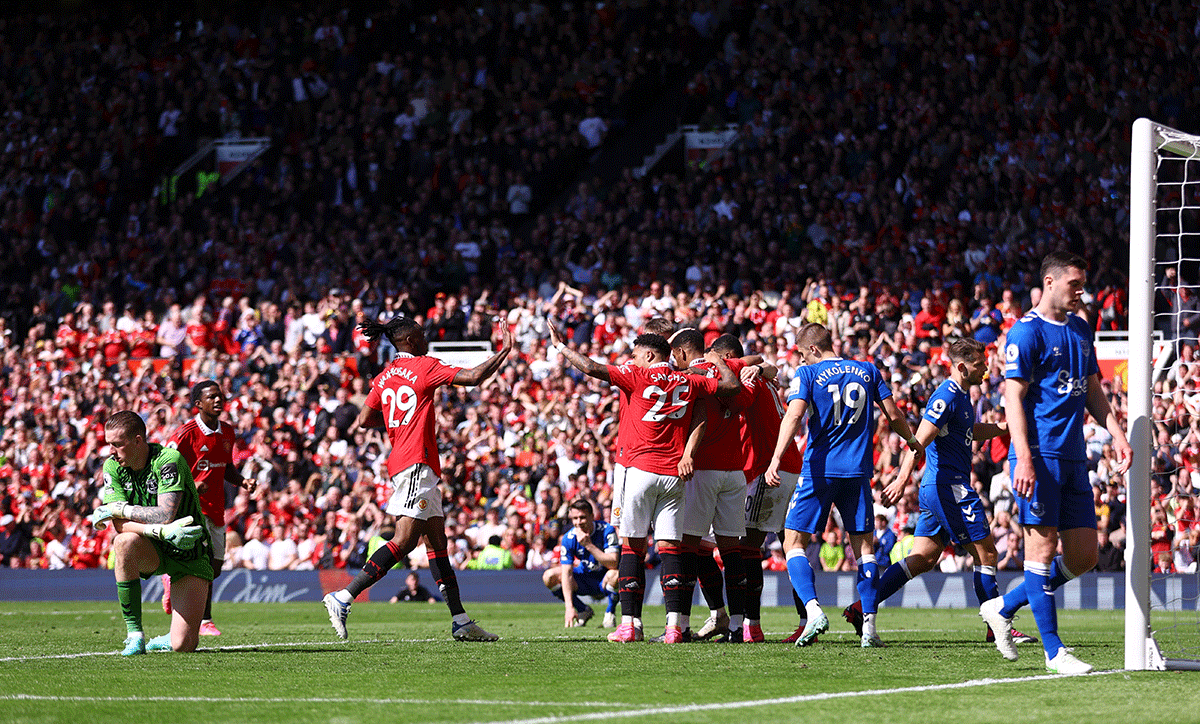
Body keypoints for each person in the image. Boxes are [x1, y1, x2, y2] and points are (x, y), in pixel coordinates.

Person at [979, 251, 1132, 674]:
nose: (1081, 291)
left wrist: (1117, 435)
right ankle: (1054, 652)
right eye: (1075, 283)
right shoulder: (1025, 333)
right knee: (1041, 550)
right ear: (1050, 282)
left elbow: (1093, 391)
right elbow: (1012, 397)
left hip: (1073, 457)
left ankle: (1003, 606)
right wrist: (1023, 457)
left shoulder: (1082, 329)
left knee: (1084, 556)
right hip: (1038, 457)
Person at [322, 315, 512, 642]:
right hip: (416, 464)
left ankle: (461, 621)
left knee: (438, 543)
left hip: (404, 462)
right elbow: (475, 377)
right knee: (406, 540)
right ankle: (344, 596)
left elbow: (366, 419)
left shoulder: (383, 377)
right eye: (422, 335)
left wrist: (399, 424)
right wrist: (505, 350)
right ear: (410, 341)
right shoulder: (424, 366)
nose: (425, 339)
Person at [550, 325, 737, 643]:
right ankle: (675, 627)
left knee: (631, 549)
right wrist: (715, 360)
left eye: (636, 355)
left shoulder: (637, 376)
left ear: (650, 355)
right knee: (671, 549)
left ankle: (631, 625)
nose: (632, 360)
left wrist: (560, 346)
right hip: (675, 474)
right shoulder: (690, 380)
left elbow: (591, 367)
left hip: (639, 471)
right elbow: (730, 386)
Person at [844, 338, 1034, 647]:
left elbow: (970, 431)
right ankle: (997, 623)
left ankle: (861, 607)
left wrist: (1004, 428)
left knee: (922, 558)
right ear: (961, 367)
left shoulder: (962, 397)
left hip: (938, 487)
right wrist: (902, 477)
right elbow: (919, 438)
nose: (985, 367)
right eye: (978, 363)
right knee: (986, 552)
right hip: (949, 486)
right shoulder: (946, 396)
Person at [766, 323, 918, 648]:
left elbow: (793, 417)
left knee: (793, 541)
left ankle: (812, 610)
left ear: (814, 350)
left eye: (803, 354)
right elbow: (892, 413)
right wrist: (911, 440)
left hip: (819, 471)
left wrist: (777, 458)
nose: (802, 360)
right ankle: (869, 628)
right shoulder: (867, 370)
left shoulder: (807, 375)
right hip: (858, 471)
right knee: (865, 549)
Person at [89, 411, 209, 655]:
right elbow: (119, 524)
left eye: (117, 444)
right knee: (123, 542)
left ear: (138, 441)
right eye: (109, 444)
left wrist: (123, 508)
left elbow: (166, 513)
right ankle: (135, 635)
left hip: (189, 550)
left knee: (183, 645)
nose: (111, 451)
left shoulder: (168, 460)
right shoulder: (112, 466)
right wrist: (159, 532)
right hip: (153, 546)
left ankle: (171, 636)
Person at [709, 332, 803, 643]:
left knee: (748, 546)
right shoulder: (759, 376)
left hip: (768, 469)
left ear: (727, 359)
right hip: (788, 465)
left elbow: (767, 365)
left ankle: (752, 625)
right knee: (792, 547)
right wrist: (763, 367)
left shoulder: (738, 375)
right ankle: (807, 618)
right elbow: (771, 366)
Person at [668, 328, 752, 642]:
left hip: (702, 469)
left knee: (687, 548)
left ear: (679, 351)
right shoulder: (732, 373)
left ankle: (681, 625)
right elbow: (742, 399)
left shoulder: (692, 376)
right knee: (731, 552)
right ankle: (736, 627)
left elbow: (696, 414)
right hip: (734, 470)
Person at [161, 380, 256, 637]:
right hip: (191, 508)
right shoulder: (185, 433)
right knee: (202, 563)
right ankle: (205, 620)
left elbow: (226, 468)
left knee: (215, 567)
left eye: (220, 396)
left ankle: (171, 578)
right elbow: (164, 468)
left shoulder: (227, 431)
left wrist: (243, 481)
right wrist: (191, 486)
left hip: (216, 508)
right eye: (212, 397)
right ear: (198, 404)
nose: (218, 400)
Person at [543, 498, 619, 628]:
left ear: (592, 516)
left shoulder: (606, 530)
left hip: (604, 579)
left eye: (582, 517)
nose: (578, 522)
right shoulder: (569, 538)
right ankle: (582, 609)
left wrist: (589, 545)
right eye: (575, 518)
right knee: (549, 576)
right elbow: (566, 572)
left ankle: (610, 612)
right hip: (583, 579)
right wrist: (569, 607)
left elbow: (613, 563)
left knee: (617, 574)